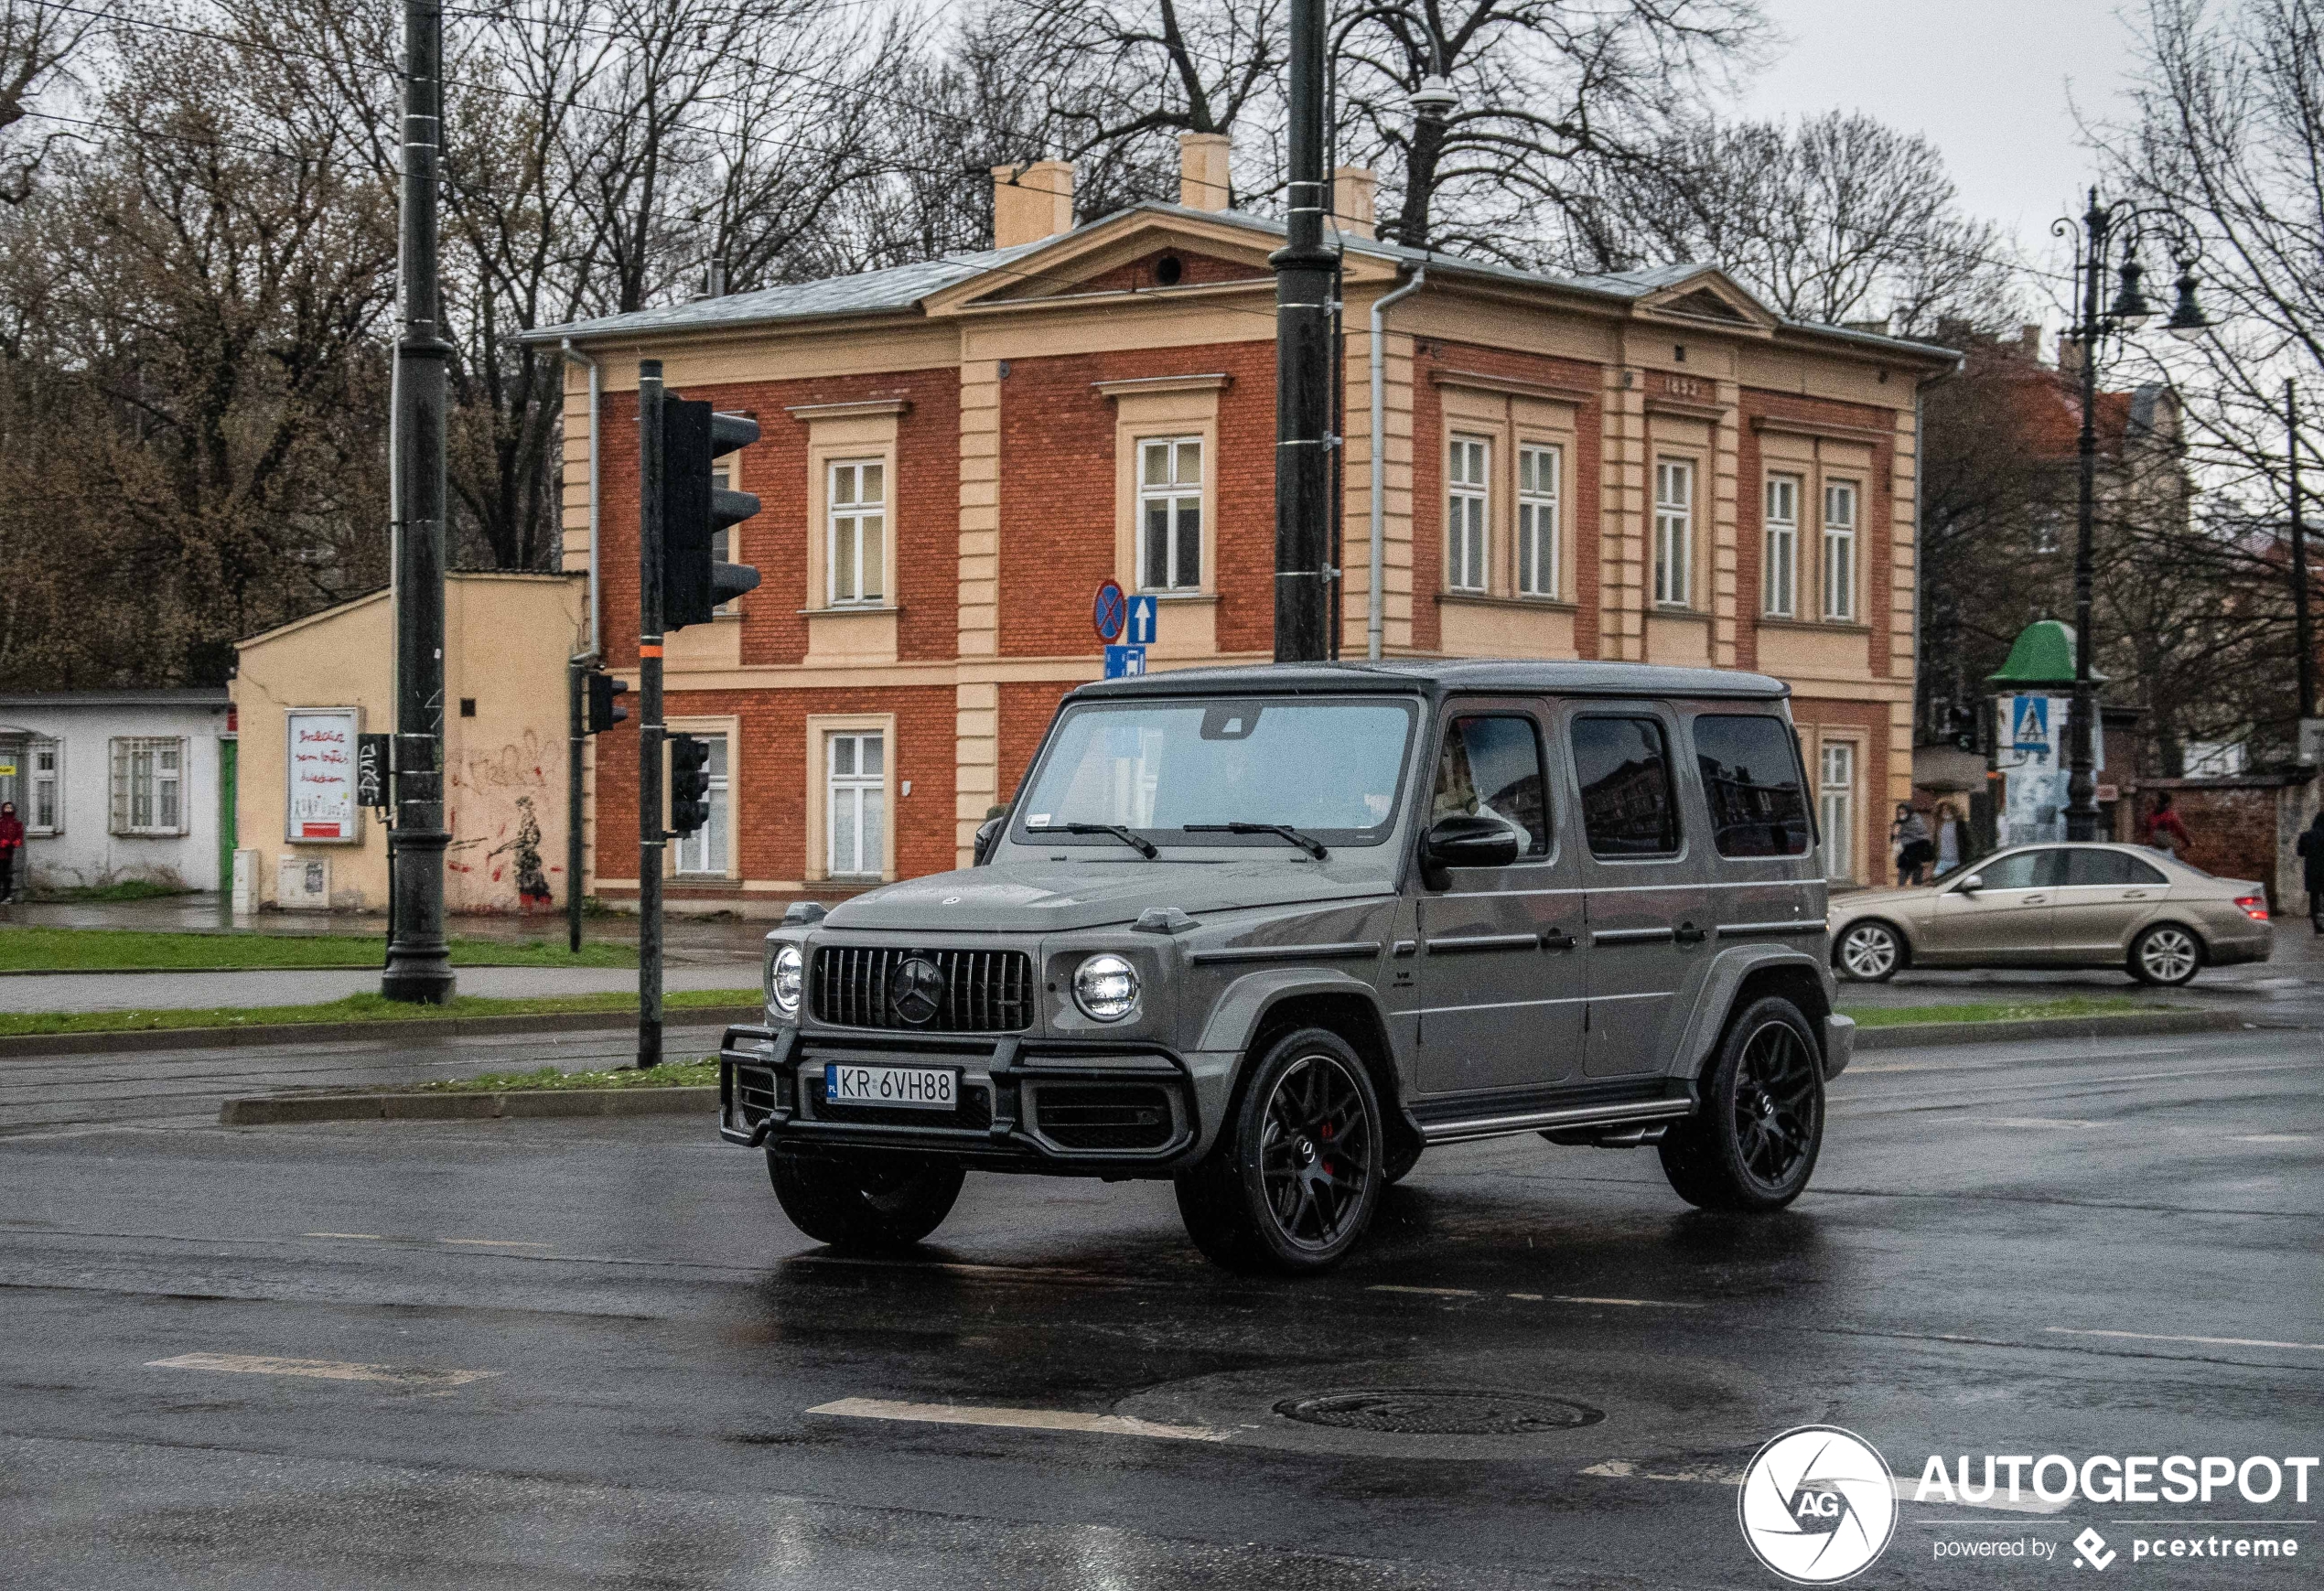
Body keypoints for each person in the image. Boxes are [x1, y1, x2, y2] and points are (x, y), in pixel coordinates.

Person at [1891, 801, 1933, 887]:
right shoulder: (1898, 823)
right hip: (1904, 856)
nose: (1902, 815)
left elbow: (1924, 837)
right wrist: (1894, 834)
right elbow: (1893, 840)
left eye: (1904, 812)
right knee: (1901, 883)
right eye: (1900, 813)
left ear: (1909, 811)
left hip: (1917, 856)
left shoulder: (1917, 821)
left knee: (1916, 883)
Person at [2298, 809, 2324, 934]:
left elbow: (2300, 853)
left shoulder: (2305, 836)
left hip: (2312, 871)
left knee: (2314, 898)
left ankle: (2316, 925)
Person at [2143, 790, 2191, 859]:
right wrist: (2188, 842)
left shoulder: (2152, 816)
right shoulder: (2170, 816)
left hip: (2156, 850)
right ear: (2167, 803)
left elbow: (2146, 832)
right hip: (2162, 850)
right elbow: (2181, 831)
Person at [1932, 799, 1965, 877]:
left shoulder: (1959, 824)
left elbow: (1966, 842)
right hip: (1942, 861)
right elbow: (1936, 843)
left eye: (1948, 809)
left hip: (1956, 861)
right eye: (1943, 810)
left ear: (1952, 810)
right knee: (1936, 879)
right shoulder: (1939, 825)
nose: (1945, 811)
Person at [0, 801, 22, 903]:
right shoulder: (1, 822)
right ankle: (4, 894)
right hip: (1, 851)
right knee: (3, 874)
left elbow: (19, 835)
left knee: (7, 874)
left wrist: (17, 841)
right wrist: (2, 842)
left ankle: (7, 895)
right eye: (6, 807)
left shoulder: (16, 823)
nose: (8, 809)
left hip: (9, 852)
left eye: (10, 807)